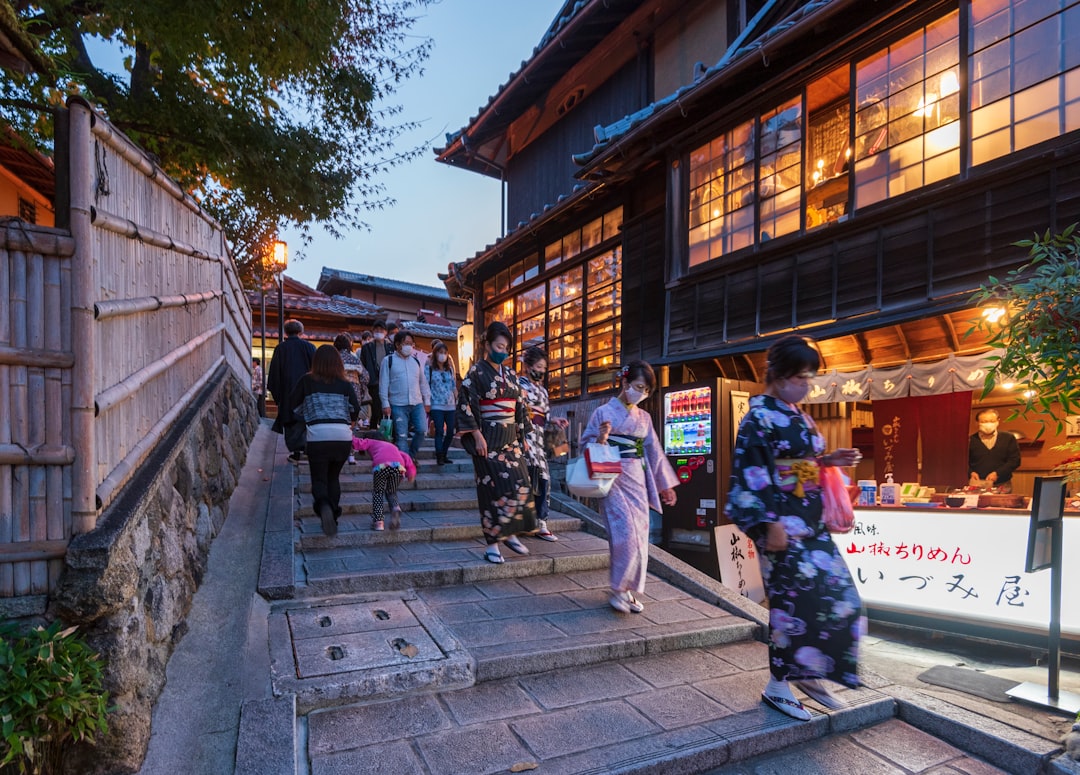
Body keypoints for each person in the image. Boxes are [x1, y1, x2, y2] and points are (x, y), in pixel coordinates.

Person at [725, 334, 864, 721]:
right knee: (790, 607)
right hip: (781, 527)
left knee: (842, 599)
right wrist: (769, 524)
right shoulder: (759, 418)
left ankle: (810, 672)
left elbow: (803, 462)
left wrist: (829, 459)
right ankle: (780, 684)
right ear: (780, 375)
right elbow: (753, 476)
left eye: (809, 378)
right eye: (801, 377)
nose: (807, 385)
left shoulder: (796, 414)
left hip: (811, 522)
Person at [581, 360, 679, 613]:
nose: (642, 394)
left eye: (646, 390)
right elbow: (585, 444)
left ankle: (627, 589)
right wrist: (601, 438)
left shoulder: (644, 417)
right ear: (624, 383)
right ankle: (618, 589)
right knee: (624, 533)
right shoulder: (602, 413)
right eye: (638, 387)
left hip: (636, 478)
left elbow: (654, 451)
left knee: (640, 537)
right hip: (611, 476)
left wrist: (664, 485)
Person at [457, 321, 537, 563]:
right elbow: (465, 405)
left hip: (510, 438)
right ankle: (492, 545)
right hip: (487, 441)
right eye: (498, 346)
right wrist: (477, 435)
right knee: (491, 491)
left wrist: (523, 437)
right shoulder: (475, 373)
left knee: (521, 483)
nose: (502, 351)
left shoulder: (511, 374)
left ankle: (510, 532)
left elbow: (520, 405)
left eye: (506, 347)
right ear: (487, 345)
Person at [287, 345, 360, 537]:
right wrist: (349, 421)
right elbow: (355, 408)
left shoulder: (307, 380)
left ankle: (324, 506)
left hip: (318, 436)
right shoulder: (345, 384)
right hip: (342, 436)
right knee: (333, 478)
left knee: (319, 479)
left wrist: (307, 415)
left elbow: (292, 406)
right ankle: (333, 515)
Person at [518, 346, 569, 541]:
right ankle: (531, 521)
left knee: (543, 479)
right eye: (538, 366)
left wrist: (554, 420)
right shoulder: (519, 386)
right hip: (523, 437)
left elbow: (544, 415)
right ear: (528, 366)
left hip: (538, 439)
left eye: (543, 368)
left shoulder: (543, 391)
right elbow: (518, 413)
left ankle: (540, 521)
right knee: (530, 478)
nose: (540, 371)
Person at [267, 319, 316, 460]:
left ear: (286, 332)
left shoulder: (281, 348)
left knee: (290, 422)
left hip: (287, 392)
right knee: (306, 421)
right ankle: (307, 449)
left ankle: (296, 452)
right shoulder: (310, 347)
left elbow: (274, 374)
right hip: (307, 391)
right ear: (301, 332)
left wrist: (277, 395)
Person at [379, 330, 431, 458]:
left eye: (411, 343)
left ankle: (410, 456)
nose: (409, 346)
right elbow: (383, 383)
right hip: (397, 405)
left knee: (422, 430)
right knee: (401, 437)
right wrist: (385, 403)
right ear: (397, 344)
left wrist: (427, 400)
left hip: (417, 403)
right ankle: (406, 464)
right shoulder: (388, 360)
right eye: (406, 343)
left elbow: (423, 382)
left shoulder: (416, 362)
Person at [353, 436, 416, 531]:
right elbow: (407, 458)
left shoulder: (372, 441)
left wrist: (348, 434)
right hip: (398, 467)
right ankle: (395, 508)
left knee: (378, 492)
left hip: (382, 466)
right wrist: (411, 473)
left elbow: (358, 443)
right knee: (391, 491)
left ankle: (378, 522)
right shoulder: (393, 447)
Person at [335, 334, 371, 459]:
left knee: (338, 424)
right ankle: (350, 454)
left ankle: (338, 450)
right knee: (351, 426)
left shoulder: (334, 359)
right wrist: (359, 387)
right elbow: (366, 377)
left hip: (337, 395)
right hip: (354, 395)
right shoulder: (355, 359)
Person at [968, 408, 1021, 493]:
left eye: (992, 421)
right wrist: (971, 472)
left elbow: (1015, 461)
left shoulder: (1008, 438)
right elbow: (962, 462)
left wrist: (997, 473)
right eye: (984, 422)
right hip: (977, 485)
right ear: (977, 423)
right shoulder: (970, 440)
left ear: (998, 421)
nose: (988, 424)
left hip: (1003, 485)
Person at [425, 341, 458, 465]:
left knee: (450, 431)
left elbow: (453, 386)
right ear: (435, 353)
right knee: (439, 430)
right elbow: (426, 385)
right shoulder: (429, 368)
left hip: (450, 405)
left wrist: (458, 398)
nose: (442, 355)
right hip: (436, 404)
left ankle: (444, 453)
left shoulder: (449, 370)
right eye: (440, 352)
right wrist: (427, 401)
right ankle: (439, 456)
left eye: (445, 353)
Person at [360, 321, 394, 418]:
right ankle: (374, 428)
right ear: (373, 331)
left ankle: (387, 429)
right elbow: (363, 364)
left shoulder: (390, 346)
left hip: (388, 381)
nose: (378, 332)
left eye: (381, 330)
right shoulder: (367, 347)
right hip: (373, 381)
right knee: (375, 408)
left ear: (386, 332)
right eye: (376, 330)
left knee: (388, 407)